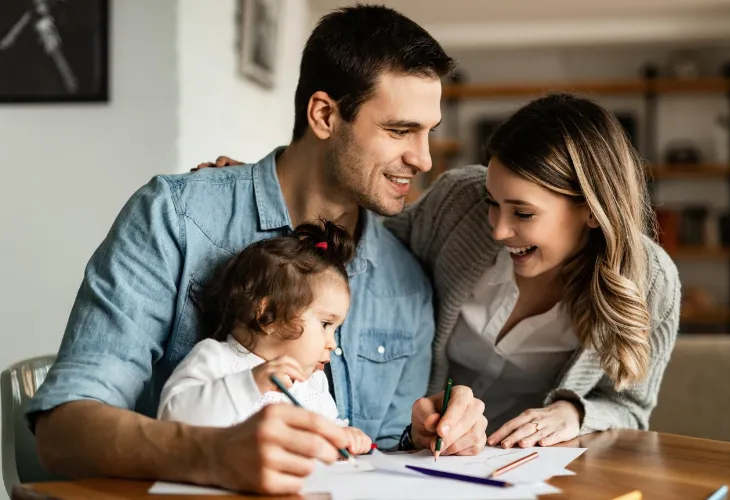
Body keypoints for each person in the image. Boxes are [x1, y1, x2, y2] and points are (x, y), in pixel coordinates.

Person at [26, 5, 486, 496]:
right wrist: (209, 454)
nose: (423, 158)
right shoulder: (176, 218)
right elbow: (63, 434)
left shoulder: (406, 282)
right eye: (399, 131)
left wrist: (424, 437)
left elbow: (382, 459)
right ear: (325, 115)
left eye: (428, 132)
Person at [205, 92, 682, 448]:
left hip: (526, 468)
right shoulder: (459, 203)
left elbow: (632, 410)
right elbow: (363, 246)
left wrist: (573, 413)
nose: (497, 229)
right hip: (424, 452)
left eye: (523, 213)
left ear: (592, 212)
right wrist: (276, 189)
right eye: (493, 203)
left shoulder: (653, 283)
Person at [157, 220, 372, 456]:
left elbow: (326, 430)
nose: (332, 343)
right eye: (325, 324)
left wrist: (344, 435)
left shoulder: (312, 384)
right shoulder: (216, 359)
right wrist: (250, 384)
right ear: (267, 316)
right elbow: (172, 419)